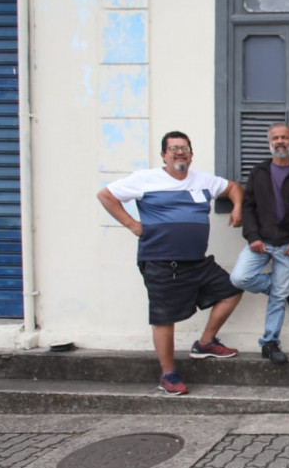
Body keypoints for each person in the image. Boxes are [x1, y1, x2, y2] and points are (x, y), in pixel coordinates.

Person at [97, 130, 244, 395]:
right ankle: (168, 374)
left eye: (184, 148)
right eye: (174, 148)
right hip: (162, 262)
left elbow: (233, 187)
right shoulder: (146, 179)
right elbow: (106, 195)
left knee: (231, 290)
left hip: (197, 262)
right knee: (164, 318)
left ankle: (206, 343)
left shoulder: (203, 180)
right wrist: (132, 224)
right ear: (164, 155)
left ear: (191, 154)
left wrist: (237, 207)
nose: (180, 152)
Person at [229, 122, 289, 365]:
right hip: (261, 242)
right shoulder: (258, 172)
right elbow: (249, 206)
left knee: (277, 299)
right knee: (239, 278)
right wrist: (253, 236)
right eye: (275, 138)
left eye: (284, 137)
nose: (280, 141)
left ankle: (270, 342)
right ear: (269, 144)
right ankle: (282, 289)